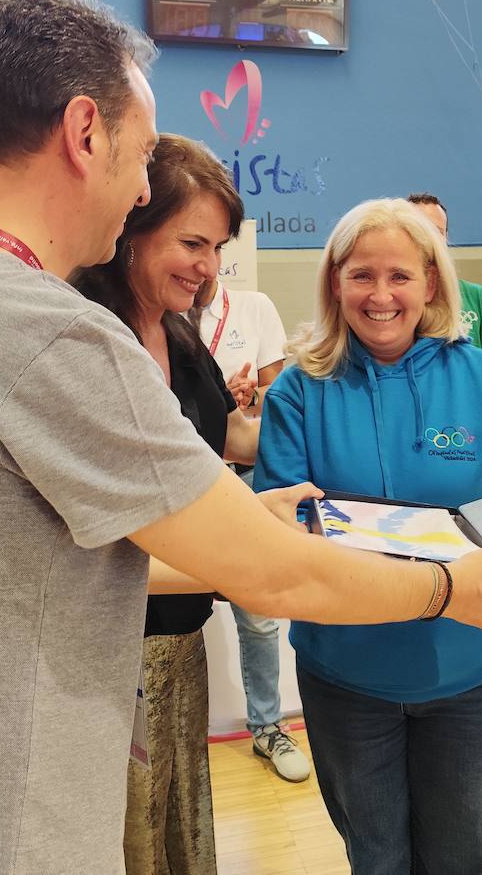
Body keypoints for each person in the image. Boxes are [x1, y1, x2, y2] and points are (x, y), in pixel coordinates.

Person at [0, 0, 482, 875]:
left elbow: (39, 550)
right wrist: (451, 590)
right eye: (143, 154)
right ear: (83, 131)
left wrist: (251, 520)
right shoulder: (50, 330)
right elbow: (267, 576)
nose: (144, 186)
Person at [256, 197, 482, 875]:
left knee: (467, 856)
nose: (380, 294)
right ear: (335, 281)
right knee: (376, 858)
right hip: (348, 674)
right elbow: (275, 523)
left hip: (470, 670)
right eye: (361, 275)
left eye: (399, 275)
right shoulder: (297, 391)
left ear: (431, 281)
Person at [75, 133, 263, 873]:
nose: (208, 266)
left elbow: (227, 438)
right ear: (132, 228)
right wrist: (245, 561)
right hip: (110, 647)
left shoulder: (178, 330)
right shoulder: (87, 335)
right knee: (126, 831)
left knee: (176, 819)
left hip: (179, 636)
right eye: (192, 241)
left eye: (216, 247)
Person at [189, 275, 311, 783]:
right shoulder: (156, 316)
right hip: (186, 479)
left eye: (213, 246)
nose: (202, 262)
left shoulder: (253, 306)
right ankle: (176, 733)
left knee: (258, 617)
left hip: (244, 476)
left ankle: (267, 726)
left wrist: (243, 396)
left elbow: (270, 396)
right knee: (172, 609)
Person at [407, 192, 482, 360]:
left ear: (445, 237)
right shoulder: (391, 302)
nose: (428, 239)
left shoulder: (477, 297)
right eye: (418, 230)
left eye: (436, 231)